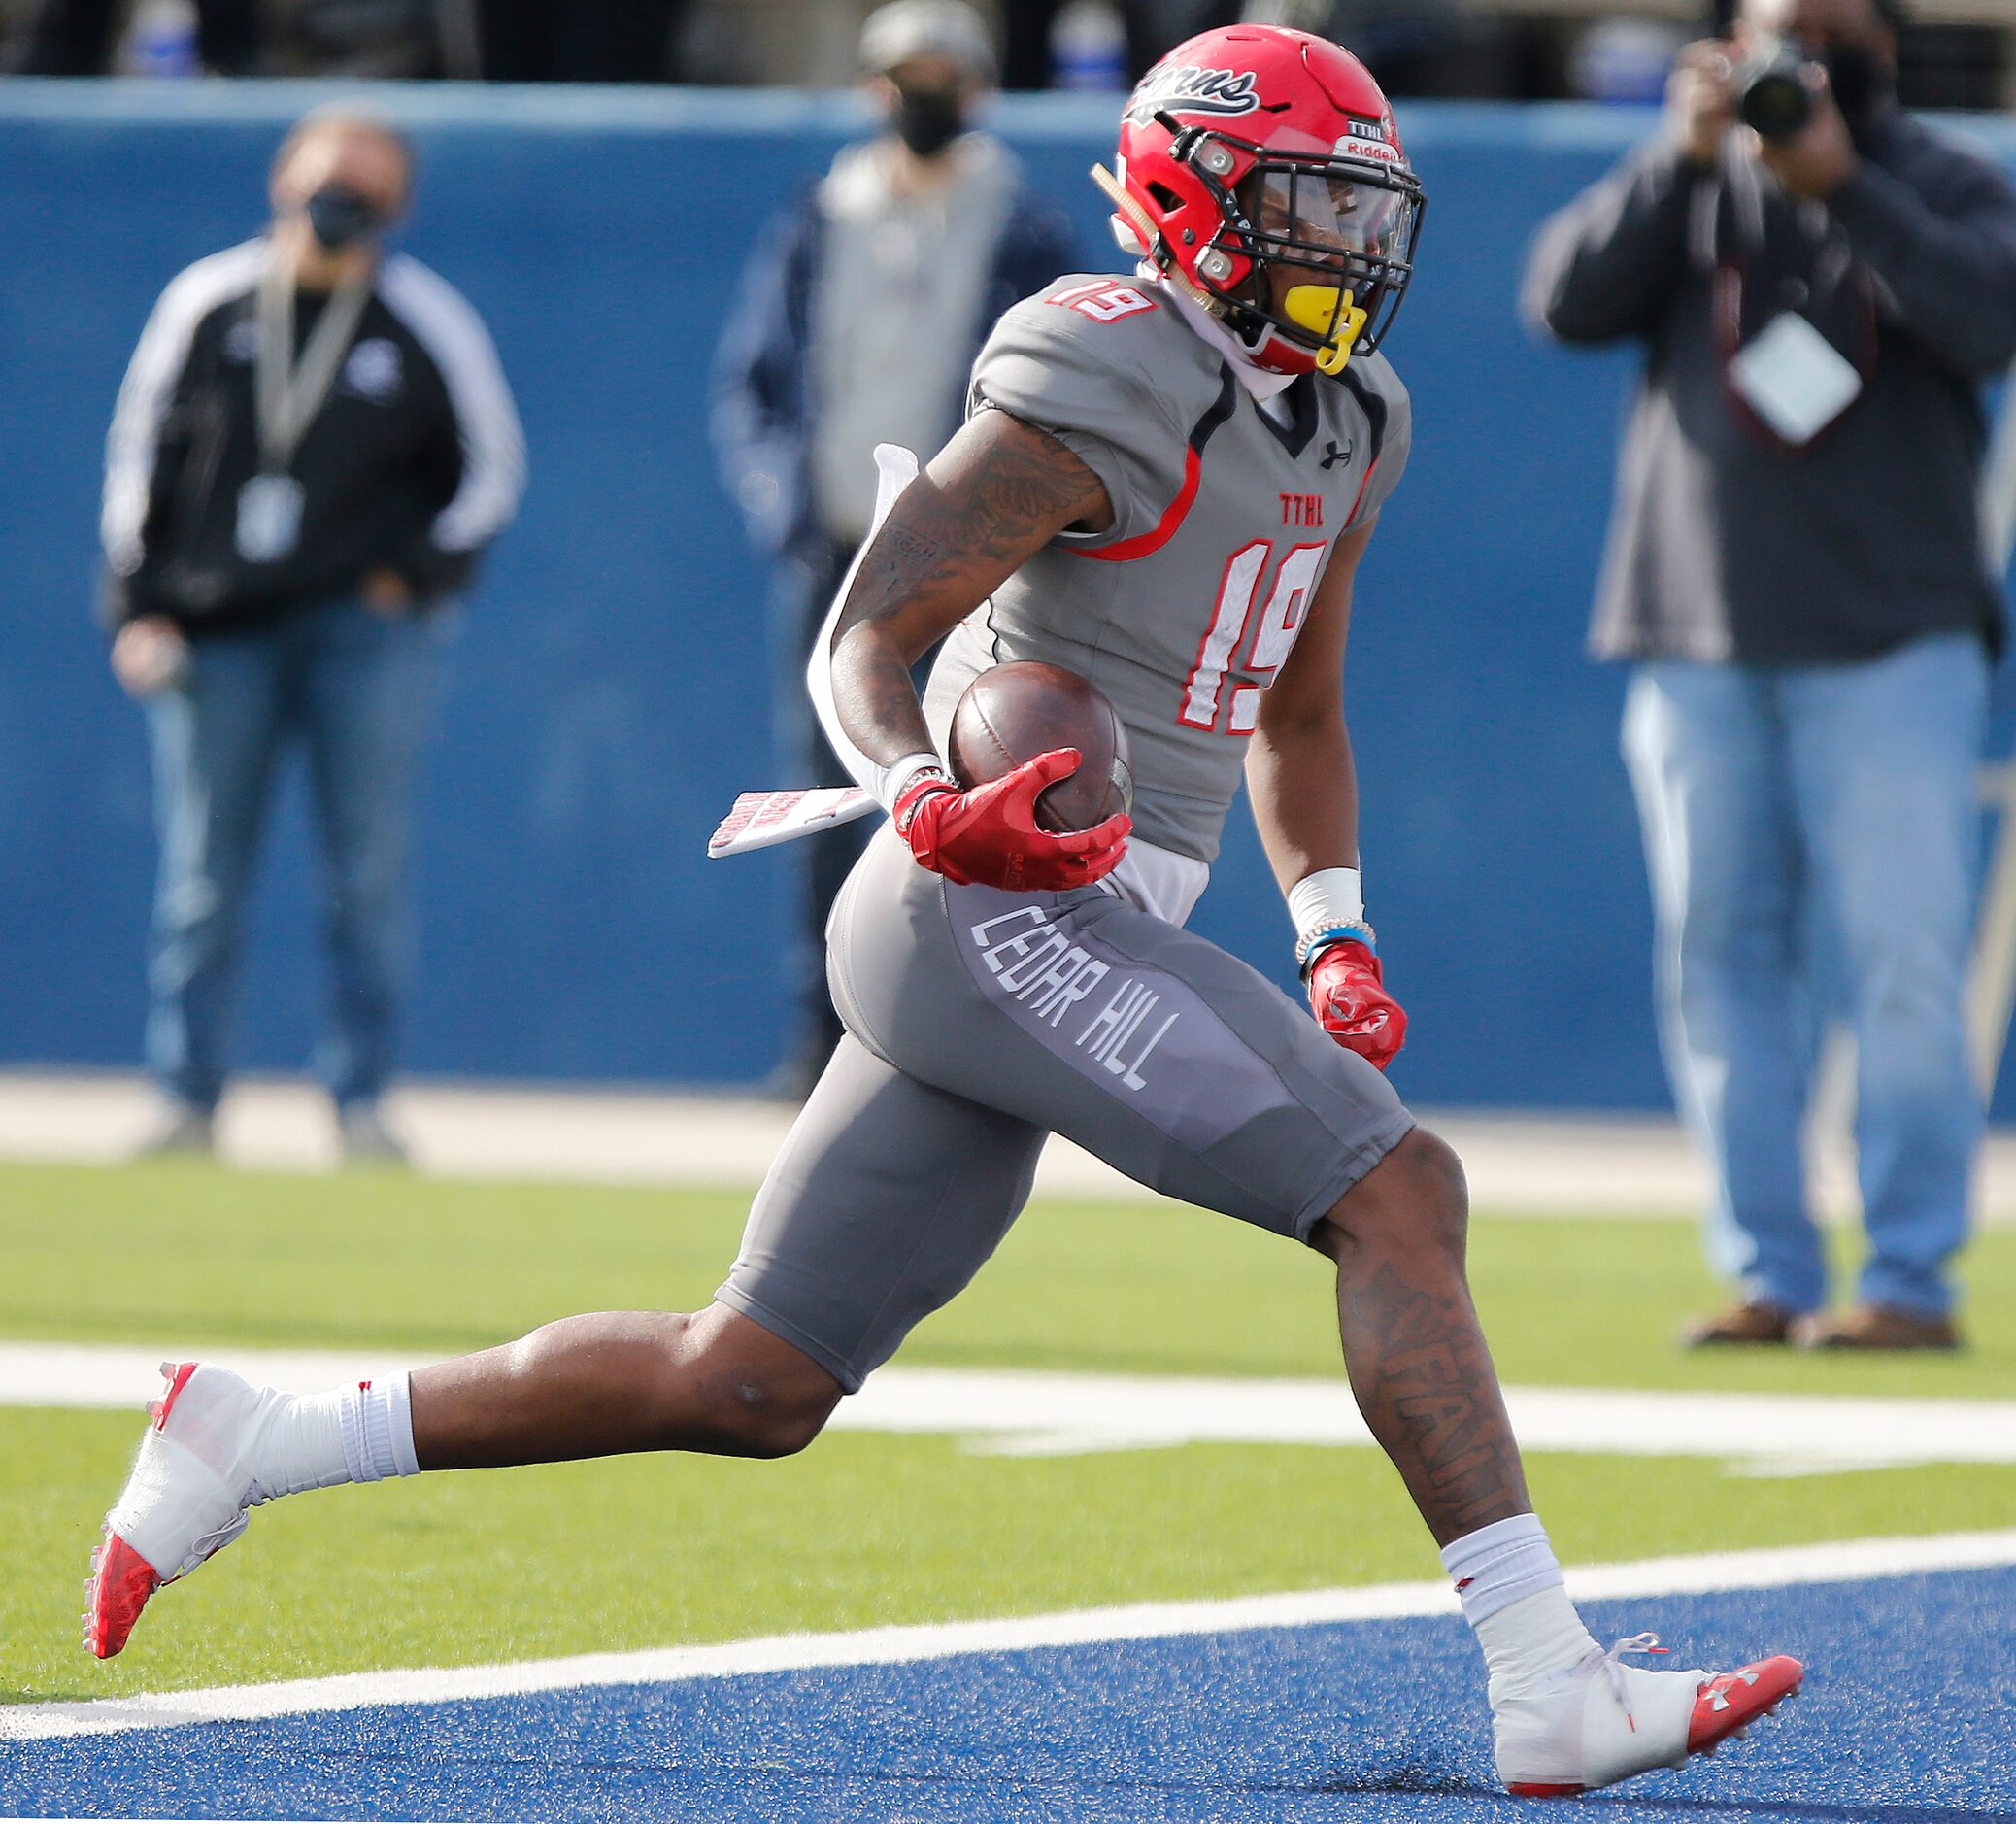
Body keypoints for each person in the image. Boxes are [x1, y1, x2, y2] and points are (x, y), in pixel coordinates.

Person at [85, 30, 1800, 1797]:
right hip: (980, 901)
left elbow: (1295, 710)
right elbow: (864, 636)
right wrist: (922, 788)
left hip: (1091, 922)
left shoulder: (1359, 419)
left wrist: (1335, 929)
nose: (1345, 249)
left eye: (1365, 214)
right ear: (1193, 199)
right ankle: (1546, 1676)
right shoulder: (1100, 367)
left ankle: (259, 1434)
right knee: (1397, 1187)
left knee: (749, 1377)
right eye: (1304, 204)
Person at [1525, 0, 2016, 1351]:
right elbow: (1562, 300)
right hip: (1696, 640)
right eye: (1779, 32)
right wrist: (1676, 160)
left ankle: (1912, 1280)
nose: (1803, 57)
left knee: (1904, 965)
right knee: (1719, 963)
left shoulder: (1941, 178)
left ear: (1884, 49)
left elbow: (1990, 320)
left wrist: (1845, 185)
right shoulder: (1694, 178)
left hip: (1892, 643)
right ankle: (1768, 1267)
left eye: (1829, 29)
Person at [101, 107, 526, 1165]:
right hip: (219, 629)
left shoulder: (425, 319)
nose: (343, 199)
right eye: (328, 176)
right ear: (282, 180)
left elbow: (491, 474)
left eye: (369, 184)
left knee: (367, 874)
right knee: (202, 876)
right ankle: (187, 1100)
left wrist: (413, 577)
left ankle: (360, 1102)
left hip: (361, 631)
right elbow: (135, 460)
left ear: (400, 204)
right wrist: (141, 605)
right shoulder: (206, 302)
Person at [713, 0, 1076, 1096]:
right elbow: (756, 385)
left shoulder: (1019, 223)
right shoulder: (821, 215)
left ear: (977, 90)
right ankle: (822, 1039)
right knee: (829, 797)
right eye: (905, 77)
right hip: (836, 563)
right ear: (875, 89)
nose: (924, 97)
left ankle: (961, 1036)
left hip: (970, 570)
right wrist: (786, 507)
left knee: (983, 788)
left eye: (943, 76)